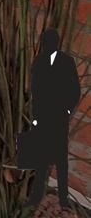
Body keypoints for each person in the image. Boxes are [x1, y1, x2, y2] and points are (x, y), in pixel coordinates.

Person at [17, 25, 79, 208]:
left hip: (58, 117)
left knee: (60, 159)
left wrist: (66, 110)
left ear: (55, 43)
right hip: (42, 117)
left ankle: (63, 199)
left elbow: (74, 89)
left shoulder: (66, 62)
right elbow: (35, 90)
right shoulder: (39, 62)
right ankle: (35, 197)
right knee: (41, 158)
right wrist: (35, 116)